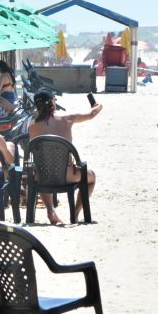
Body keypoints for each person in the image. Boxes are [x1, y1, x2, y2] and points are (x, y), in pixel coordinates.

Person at [27, 88, 100, 225]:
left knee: (43, 168)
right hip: (67, 176)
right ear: (52, 103)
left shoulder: (32, 127)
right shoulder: (67, 119)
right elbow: (92, 114)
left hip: (43, 177)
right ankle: (76, 213)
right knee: (91, 177)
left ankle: (50, 210)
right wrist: (98, 106)